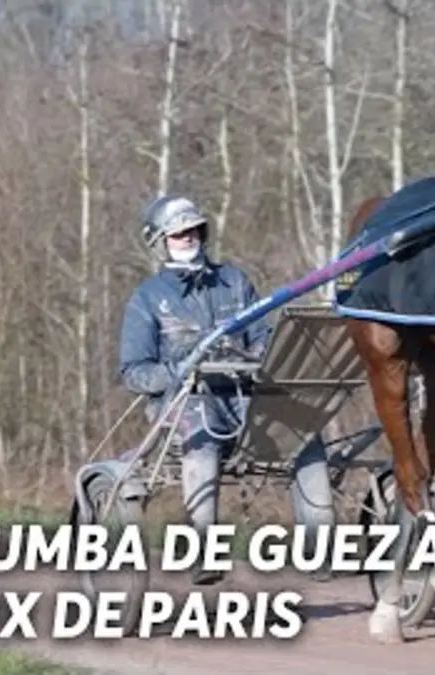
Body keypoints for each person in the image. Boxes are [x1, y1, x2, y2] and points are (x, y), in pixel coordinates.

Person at [118, 194, 334, 585]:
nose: (187, 237)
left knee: (306, 429)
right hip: (183, 400)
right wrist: (178, 370)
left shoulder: (234, 281)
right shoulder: (149, 297)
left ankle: (319, 545)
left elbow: (262, 338)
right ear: (160, 242)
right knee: (202, 430)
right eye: (177, 233)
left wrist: (264, 357)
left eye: (192, 229)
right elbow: (134, 372)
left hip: (244, 394)